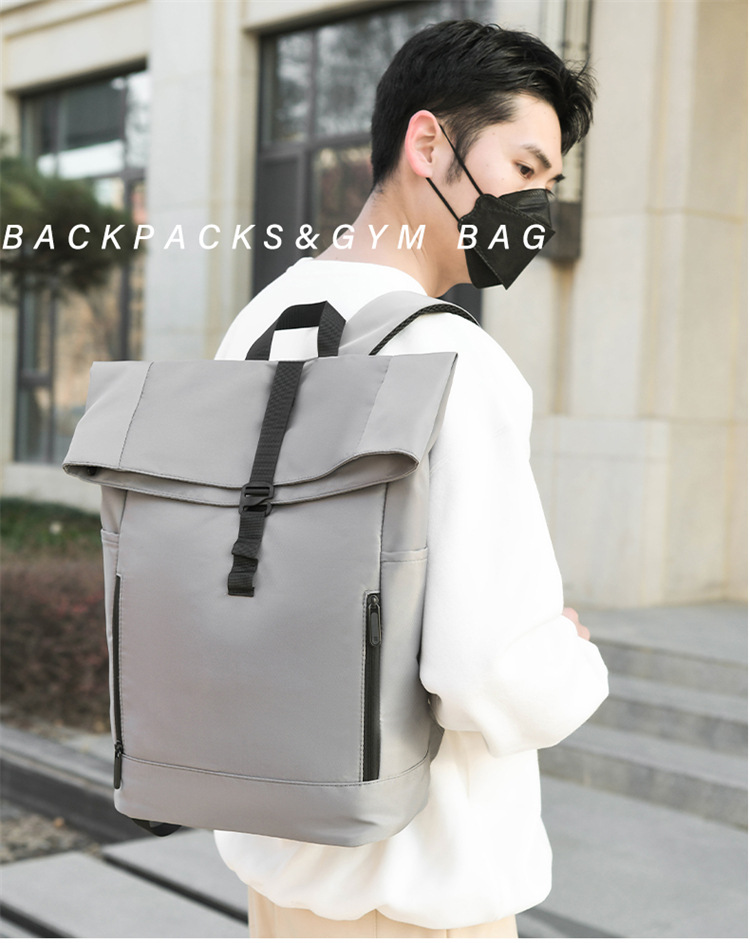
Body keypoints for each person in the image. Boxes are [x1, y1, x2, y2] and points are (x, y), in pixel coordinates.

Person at [213, 19, 609, 938]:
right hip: (411, 891)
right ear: (427, 143)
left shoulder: (256, 326)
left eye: (550, 184)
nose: (537, 206)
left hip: (280, 867)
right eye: (525, 167)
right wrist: (570, 654)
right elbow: (487, 671)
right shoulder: (452, 361)